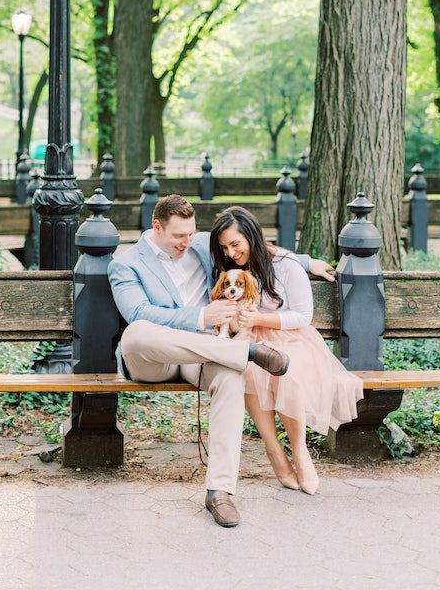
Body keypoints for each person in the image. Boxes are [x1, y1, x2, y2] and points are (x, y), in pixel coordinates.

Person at [108, 194, 330, 528]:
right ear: (157, 227)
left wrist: (305, 261)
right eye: (178, 236)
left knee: (230, 377)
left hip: (206, 351)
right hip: (156, 358)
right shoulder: (126, 263)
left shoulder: (198, 244)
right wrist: (201, 315)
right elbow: (138, 311)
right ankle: (247, 353)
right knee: (136, 331)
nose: (187, 241)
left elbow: (254, 246)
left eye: (191, 234)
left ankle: (220, 492)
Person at [210, 206, 364, 495]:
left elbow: (303, 316)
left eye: (235, 244)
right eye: (224, 247)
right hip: (250, 337)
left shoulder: (285, 265)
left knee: (288, 370)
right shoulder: (230, 270)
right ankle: (274, 452)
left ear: (252, 236)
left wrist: (259, 319)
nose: (230, 253)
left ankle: (300, 452)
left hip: (290, 335)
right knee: (248, 369)